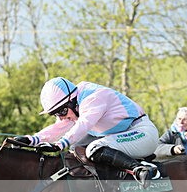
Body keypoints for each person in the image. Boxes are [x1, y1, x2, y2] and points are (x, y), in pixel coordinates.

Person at [12, 77, 160, 185]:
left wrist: (59, 145)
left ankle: (139, 169)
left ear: (72, 101)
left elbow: (83, 124)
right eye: (56, 114)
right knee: (76, 148)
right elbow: (59, 127)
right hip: (121, 136)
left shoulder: (93, 97)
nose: (61, 117)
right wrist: (32, 139)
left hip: (142, 134)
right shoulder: (74, 104)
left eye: (62, 111)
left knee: (93, 148)